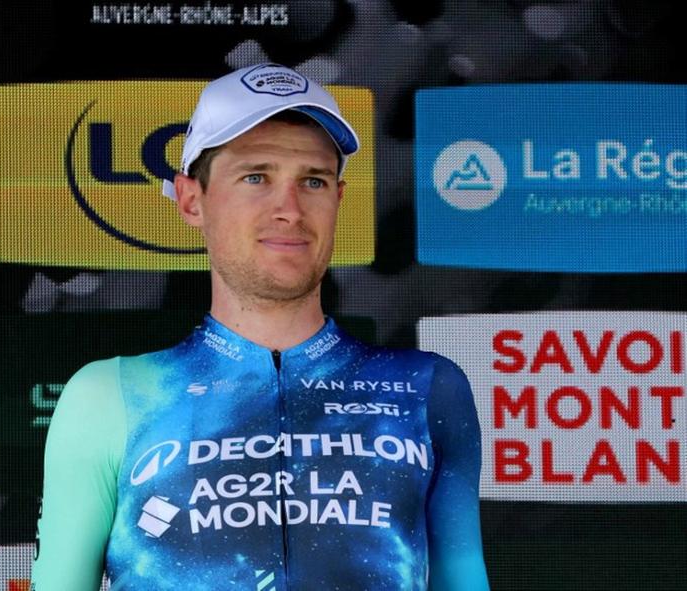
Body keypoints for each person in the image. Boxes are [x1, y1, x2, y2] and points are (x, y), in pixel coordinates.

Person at [31, 63, 489, 591]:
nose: (289, 209)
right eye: (256, 177)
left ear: (339, 200)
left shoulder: (428, 389)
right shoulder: (108, 395)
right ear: (191, 199)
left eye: (312, 181)